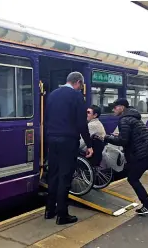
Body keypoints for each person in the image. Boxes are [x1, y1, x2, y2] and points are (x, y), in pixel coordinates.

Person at [96, 98, 148, 221]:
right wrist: (120, 136)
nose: (113, 109)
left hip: (143, 154)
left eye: (115, 107)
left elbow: (123, 141)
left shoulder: (124, 120)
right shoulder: (133, 117)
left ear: (122, 107)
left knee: (132, 179)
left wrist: (105, 138)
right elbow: (131, 136)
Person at [45, 71, 93, 225]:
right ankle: (62, 215)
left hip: (52, 139)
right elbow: (81, 123)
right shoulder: (76, 96)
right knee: (65, 177)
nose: (81, 89)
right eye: (81, 86)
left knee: (53, 175)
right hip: (68, 140)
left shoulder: (52, 95)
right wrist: (89, 144)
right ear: (78, 82)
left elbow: (46, 118)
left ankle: (49, 211)